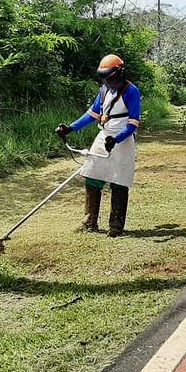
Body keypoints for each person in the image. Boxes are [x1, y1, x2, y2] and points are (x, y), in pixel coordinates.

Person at [55, 54, 141, 237]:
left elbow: (133, 123)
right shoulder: (103, 90)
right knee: (92, 175)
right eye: (104, 78)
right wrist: (70, 128)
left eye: (110, 79)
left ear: (120, 75)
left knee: (119, 181)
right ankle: (90, 220)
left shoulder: (131, 91)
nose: (107, 82)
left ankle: (116, 226)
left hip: (123, 140)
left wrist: (116, 139)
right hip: (104, 136)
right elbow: (92, 115)